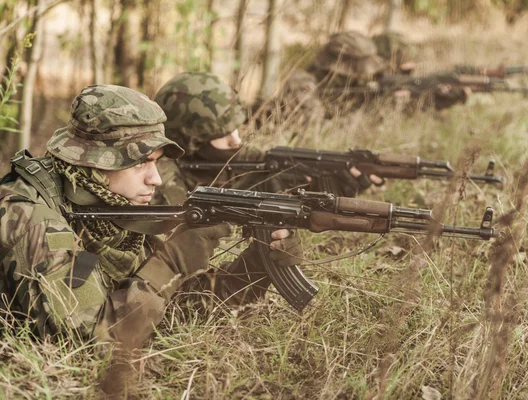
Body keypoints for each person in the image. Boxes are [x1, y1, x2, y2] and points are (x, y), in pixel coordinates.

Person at [0, 84, 303, 350]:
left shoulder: (108, 206)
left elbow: (165, 311)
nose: (155, 179)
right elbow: (92, 341)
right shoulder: (33, 217)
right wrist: (169, 263)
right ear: (94, 163)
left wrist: (255, 266)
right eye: (140, 164)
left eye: (156, 163)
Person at [152, 72, 382, 206]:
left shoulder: (231, 156)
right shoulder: (160, 178)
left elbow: (269, 170)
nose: (236, 140)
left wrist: (323, 184)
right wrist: (260, 190)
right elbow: (182, 231)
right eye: (222, 135)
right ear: (188, 141)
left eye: (236, 129)